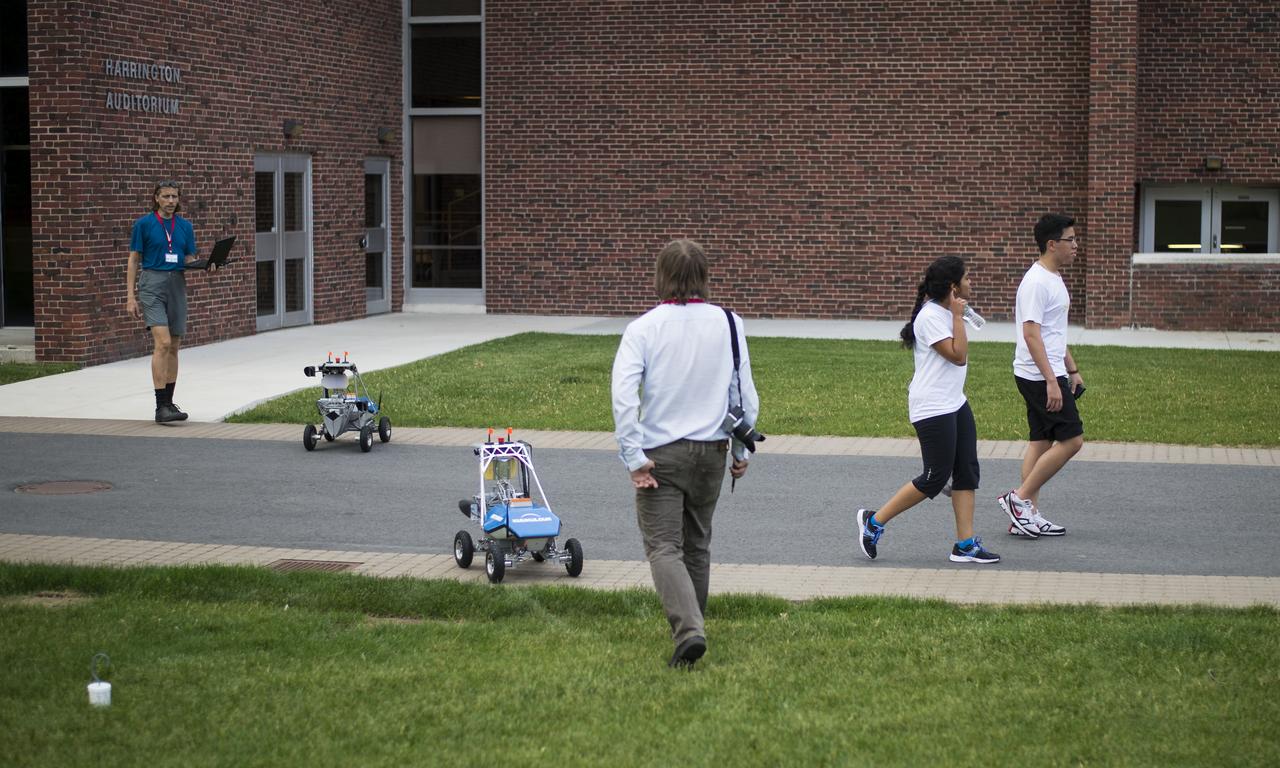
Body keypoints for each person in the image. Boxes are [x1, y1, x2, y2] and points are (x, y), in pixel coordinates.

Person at [611, 239, 759, 669]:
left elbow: (624, 396)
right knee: (697, 544)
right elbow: (744, 393)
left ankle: (689, 631)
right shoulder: (730, 323)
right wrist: (740, 447)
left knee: (663, 547)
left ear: (661, 276)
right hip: (712, 452)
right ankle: (695, 625)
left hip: (661, 453)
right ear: (704, 277)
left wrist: (632, 456)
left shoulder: (643, 328)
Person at [856, 255, 1000, 565]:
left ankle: (965, 545)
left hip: (955, 402)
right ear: (953, 287)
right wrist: (959, 318)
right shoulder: (931, 317)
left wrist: (958, 315)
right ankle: (873, 521)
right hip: (932, 408)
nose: (971, 282)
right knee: (935, 477)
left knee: (966, 472)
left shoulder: (945, 311)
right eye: (967, 278)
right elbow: (957, 355)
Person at [997, 213, 1083, 538]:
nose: (1076, 245)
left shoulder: (1053, 277)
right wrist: (1051, 380)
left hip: (1047, 370)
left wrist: (1071, 370)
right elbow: (1031, 335)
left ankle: (1025, 516)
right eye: (1070, 240)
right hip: (1038, 374)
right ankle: (1018, 501)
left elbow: (1053, 334)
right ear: (1052, 244)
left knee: (1040, 441)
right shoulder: (1036, 282)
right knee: (1072, 439)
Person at [126, 181, 200, 423]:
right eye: (166, 196)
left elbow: (188, 257)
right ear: (156, 198)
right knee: (163, 343)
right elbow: (134, 260)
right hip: (152, 284)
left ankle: (169, 404)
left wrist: (206, 265)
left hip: (177, 283)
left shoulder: (185, 227)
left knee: (175, 345)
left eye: (175, 197)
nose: (171, 201)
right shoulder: (144, 224)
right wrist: (130, 296)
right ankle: (160, 407)